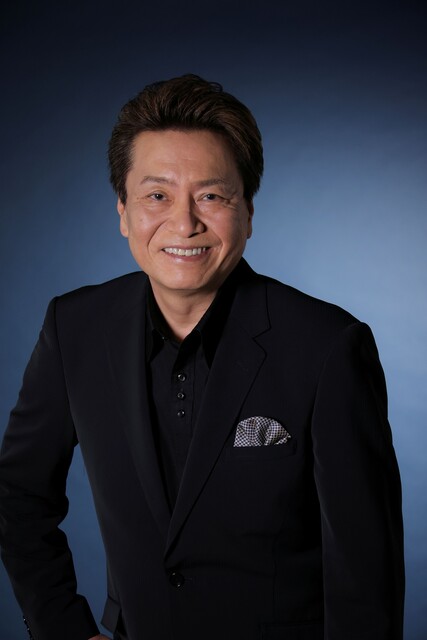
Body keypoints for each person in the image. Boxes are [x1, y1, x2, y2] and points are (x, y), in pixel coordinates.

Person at [0, 74, 404, 640]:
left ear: (248, 212)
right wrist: (62, 627)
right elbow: (16, 496)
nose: (185, 223)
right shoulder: (75, 328)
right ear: (123, 211)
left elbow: (365, 575)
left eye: (212, 196)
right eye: (157, 196)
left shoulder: (329, 346)